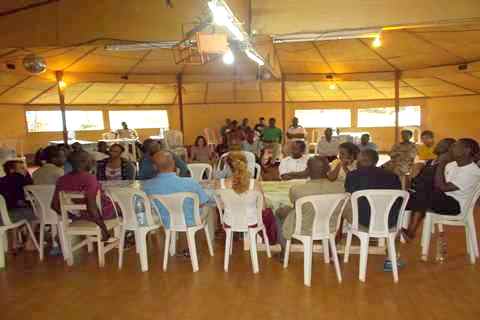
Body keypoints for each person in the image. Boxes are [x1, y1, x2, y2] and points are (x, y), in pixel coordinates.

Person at [405, 138, 480, 240]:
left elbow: (442, 187)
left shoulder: (472, 171)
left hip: (455, 206)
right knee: (409, 195)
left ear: (466, 150)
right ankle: (403, 225)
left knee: (420, 195)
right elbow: (436, 182)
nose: (451, 148)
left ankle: (409, 230)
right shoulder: (453, 165)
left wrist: (442, 163)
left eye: (455, 146)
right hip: (441, 198)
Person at [275, 156, 345, 256]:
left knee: (280, 211)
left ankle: (284, 252)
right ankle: (331, 250)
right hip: (330, 226)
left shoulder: (297, 189)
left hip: (304, 227)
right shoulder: (340, 188)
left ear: (307, 170)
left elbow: (296, 206)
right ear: (329, 169)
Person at [51, 150, 115, 242]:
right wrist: (104, 230)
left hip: (81, 214)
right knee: (126, 207)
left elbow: (54, 205)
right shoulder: (90, 178)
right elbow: (91, 206)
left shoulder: (62, 180)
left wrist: (74, 216)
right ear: (84, 162)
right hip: (101, 212)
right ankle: (126, 240)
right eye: (90, 159)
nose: (92, 161)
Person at [143, 150, 210, 229]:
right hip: (191, 221)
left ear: (154, 167)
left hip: (165, 222)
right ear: (174, 164)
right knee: (207, 205)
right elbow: (202, 202)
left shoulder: (148, 186)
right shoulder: (190, 182)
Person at [345, 149, 403, 229]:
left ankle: (352, 232)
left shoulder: (353, 175)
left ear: (363, 160)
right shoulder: (393, 176)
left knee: (343, 204)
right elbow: (399, 199)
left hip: (365, 221)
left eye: (358, 160)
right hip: (389, 220)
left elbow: (350, 196)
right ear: (376, 162)